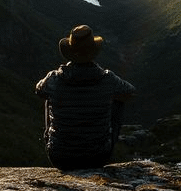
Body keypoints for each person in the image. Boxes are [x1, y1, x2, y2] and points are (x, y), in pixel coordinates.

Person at [35, 25, 136, 170]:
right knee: (119, 99)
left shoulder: (54, 79)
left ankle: (50, 138)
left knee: (48, 97)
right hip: (98, 157)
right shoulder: (107, 78)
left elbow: (39, 90)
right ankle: (102, 139)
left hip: (60, 157)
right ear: (93, 51)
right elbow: (130, 91)